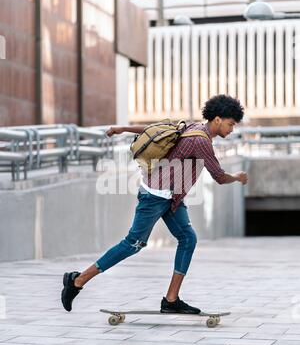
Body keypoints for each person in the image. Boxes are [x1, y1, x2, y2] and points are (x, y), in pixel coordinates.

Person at [61, 94, 248, 314]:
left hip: (170, 196)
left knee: (188, 239)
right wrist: (238, 177)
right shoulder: (201, 140)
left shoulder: (193, 127)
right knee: (133, 244)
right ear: (217, 119)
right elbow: (218, 176)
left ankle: (171, 300)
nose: (231, 129)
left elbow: (154, 130)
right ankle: (77, 281)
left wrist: (122, 129)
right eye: (230, 124)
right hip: (156, 195)